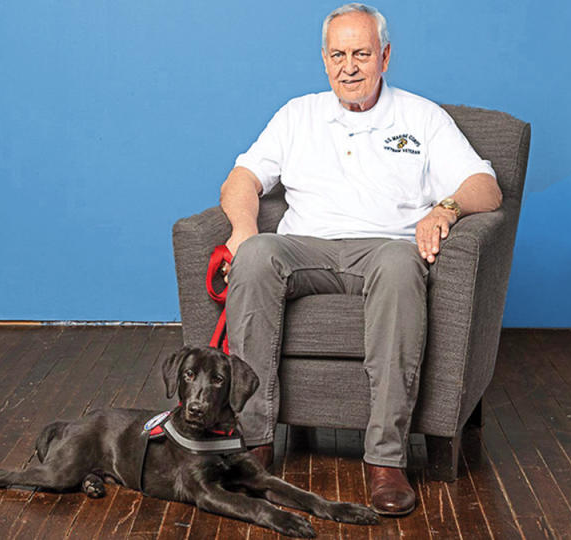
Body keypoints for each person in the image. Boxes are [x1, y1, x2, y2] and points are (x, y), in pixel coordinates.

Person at [218, 3, 502, 516]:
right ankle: (252, 443)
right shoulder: (296, 114)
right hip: (306, 246)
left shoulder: (421, 116)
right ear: (324, 60)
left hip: (384, 249)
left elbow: (486, 186)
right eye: (338, 54)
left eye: (362, 53)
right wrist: (242, 230)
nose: (349, 66)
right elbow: (242, 179)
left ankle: (386, 460)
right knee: (257, 254)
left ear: (385, 56)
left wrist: (446, 208)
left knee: (399, 266)